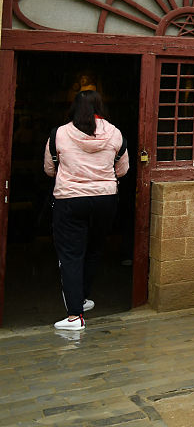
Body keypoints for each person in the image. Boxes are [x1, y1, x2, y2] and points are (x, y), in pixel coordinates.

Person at [43, 89, 129, 331]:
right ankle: (82, 297)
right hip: (105, 200)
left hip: (70, 200)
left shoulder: (59, 133)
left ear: (74, 108)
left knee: (71, 255)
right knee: (94, 249)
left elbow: (49, 169)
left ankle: (74, 316)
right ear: (100, 107)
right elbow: (122, 170)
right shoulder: (115, 133)